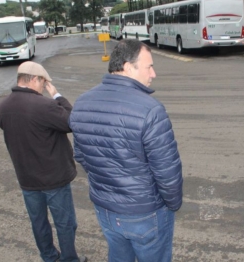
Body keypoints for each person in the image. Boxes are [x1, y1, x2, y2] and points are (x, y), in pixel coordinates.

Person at [69, 39, 183, 262]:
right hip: (145, 213)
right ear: (129, 67)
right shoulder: (151, 110)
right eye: (149, 66)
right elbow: (167, 173)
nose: (154, 73)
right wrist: (173, 204)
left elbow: (82, 156)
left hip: (106, 210)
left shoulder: (81, 103)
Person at [0, 61, 86, 262]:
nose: (43, 87)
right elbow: (73, 121)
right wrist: (57, 95)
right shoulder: (45, 105)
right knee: (65, 222)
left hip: (27, 179)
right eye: (43, 82)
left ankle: (49, 257)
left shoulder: (2, 108)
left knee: (38, 222)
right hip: (54, 178)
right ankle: (69, 259)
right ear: (34, 79)